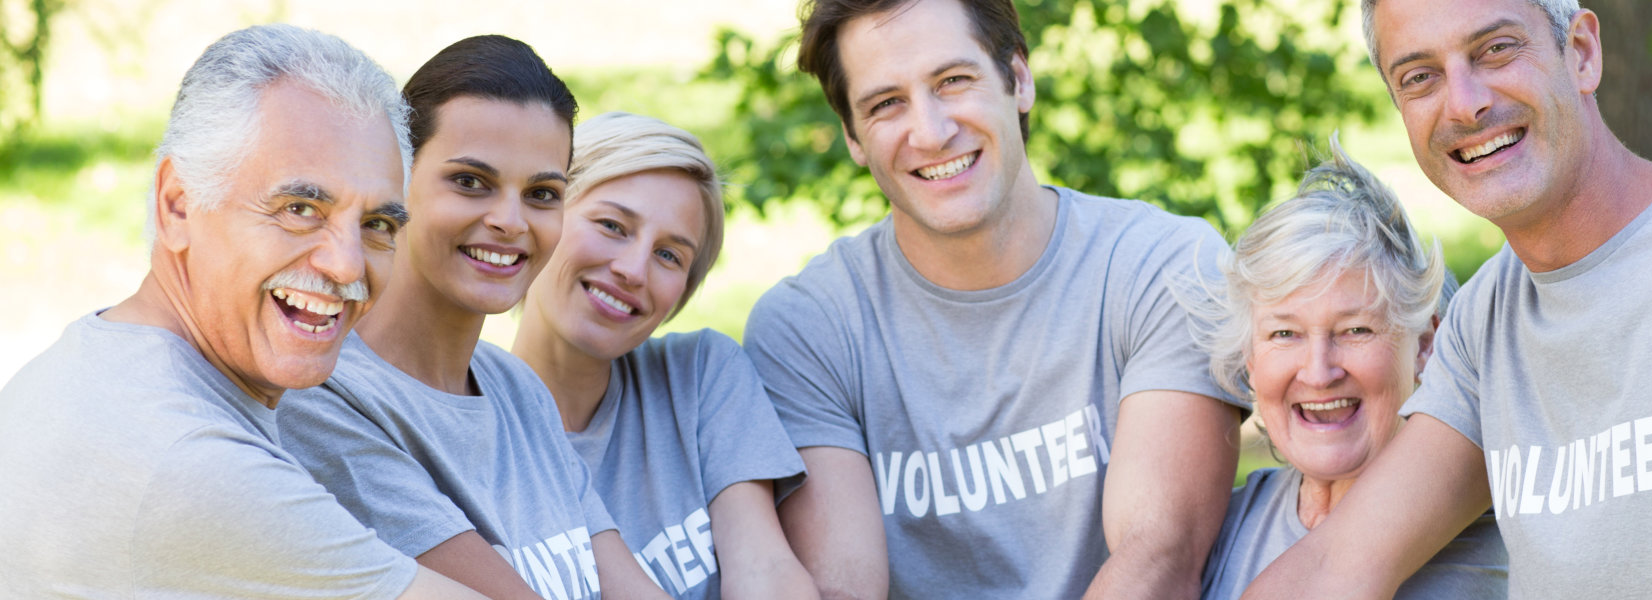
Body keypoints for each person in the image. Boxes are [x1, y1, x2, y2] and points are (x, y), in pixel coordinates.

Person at [1247, 0, 1652, 597]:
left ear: (1583, 53)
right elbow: (1338, 565)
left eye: (1497, 49)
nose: (1464, 103)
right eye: (1419, 77)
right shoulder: (1484, 325)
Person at [745, 0, 1246, 596]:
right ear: (853, 138)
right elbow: (842, 591)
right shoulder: (807, 330)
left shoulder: (1164, 266)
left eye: (953, 81)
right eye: (886, 104)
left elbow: (1159, 562)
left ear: (1020, 79)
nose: (930, 133)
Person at [0, 24, 481, 598]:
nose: (348, 266)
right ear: (178, 204)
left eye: (377, 225)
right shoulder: (196, 465)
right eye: (300, 208)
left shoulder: (91, 367)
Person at [277, 36, 666, 600]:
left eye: (541, 193)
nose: (510, 221)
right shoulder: (322, 400)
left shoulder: (517, 391)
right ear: (397, 179)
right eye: (469, 182)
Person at [511, 111, 816, 600]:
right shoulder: (466, 432)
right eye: (612, 225)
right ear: (547, 214)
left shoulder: (699, 376)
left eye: (670, 255)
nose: (633, 270)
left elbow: (766, 570)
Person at [1192, 140, 1504, 600]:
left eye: (1356, 330)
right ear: (1251, 360)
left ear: (1424, 344)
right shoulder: (1219, 530)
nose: (1319, 373)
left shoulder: (1498, 529)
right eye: (1285, 335)